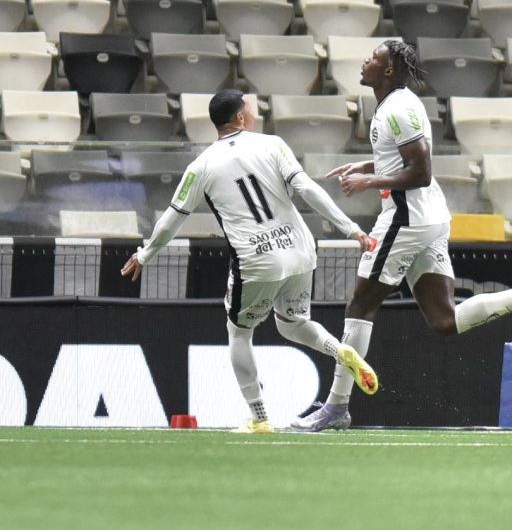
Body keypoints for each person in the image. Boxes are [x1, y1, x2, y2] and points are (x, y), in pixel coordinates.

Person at [292, 40, 512, 433]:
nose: (365, 61)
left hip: (407, 220)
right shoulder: (394, 104)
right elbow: (404, 157)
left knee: (360, 304)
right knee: (444, 320)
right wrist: (370, 162)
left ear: (388, 70)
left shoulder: (400, 107)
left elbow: (421, 171)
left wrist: (370, 179)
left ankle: (337, 406)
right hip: (429, 218)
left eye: (373, 57)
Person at [120, 90, 380, 432]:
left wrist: (145, 253)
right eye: (250, 107)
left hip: (257, 259)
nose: (255, 113)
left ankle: (259, 418)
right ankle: (339, 350)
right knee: (293, 323)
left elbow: (172, 219)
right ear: (240, 117)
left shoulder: (201, 166)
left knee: (239, 334)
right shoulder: (272, 144)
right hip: (301, 250)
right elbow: (307, 190)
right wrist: (350, 229)